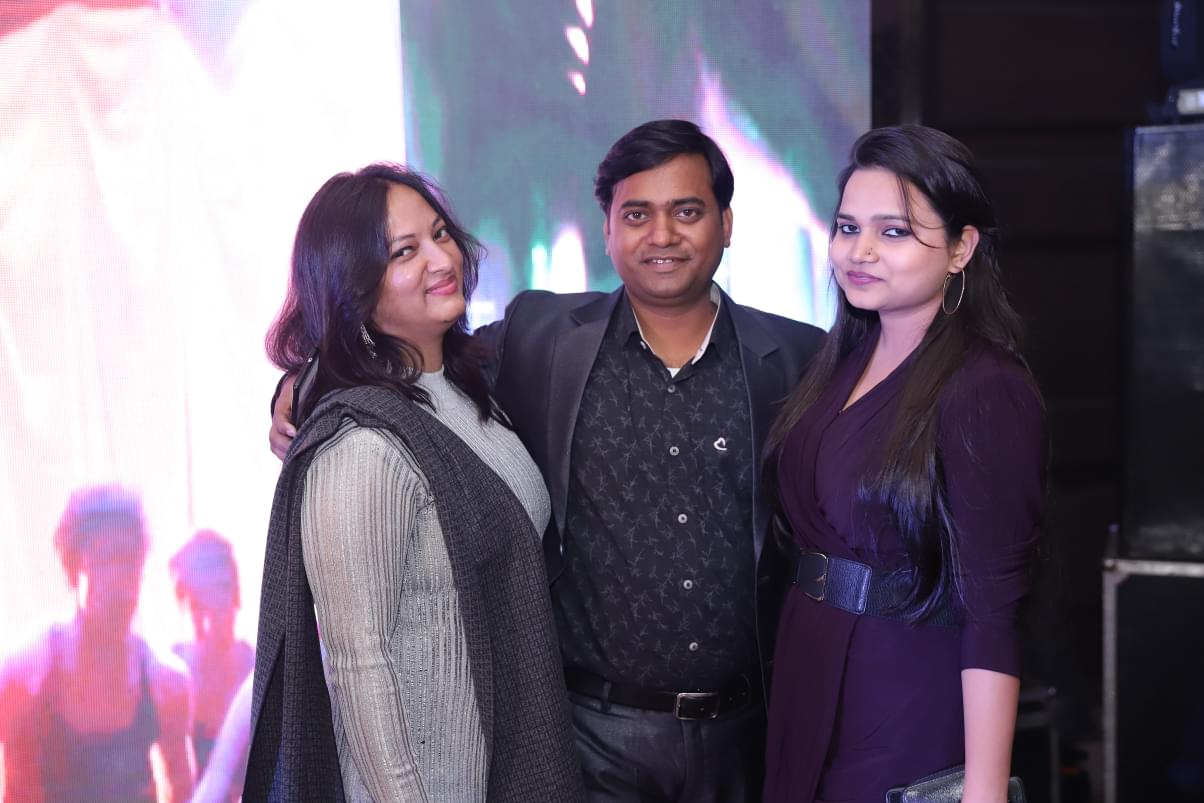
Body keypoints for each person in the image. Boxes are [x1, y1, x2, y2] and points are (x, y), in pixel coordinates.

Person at [272, 120, 824, 801]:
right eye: (636, 215)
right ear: (607, 230)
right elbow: (397, 363)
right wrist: (301, 384)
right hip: (585, 740)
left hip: (747, 734)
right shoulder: (541, 339)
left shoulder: (800, 358)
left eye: (686, 212)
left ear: (726, 223)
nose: (662, 235)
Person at [245, 164, 583, 803]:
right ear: (354, 288)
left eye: (439, 234)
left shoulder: (465, 389)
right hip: (430, 782)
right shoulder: (361, 446)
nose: (440, 259)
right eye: (404, 251)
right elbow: (357, 666)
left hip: (508, 759)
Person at [761, 125, 1047, 803]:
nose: (859, 251)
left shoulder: (986, 386)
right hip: (809, 671)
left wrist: (983, 790)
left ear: (961, 248)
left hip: (906, 692)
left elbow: (994, 610)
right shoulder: (841, 359)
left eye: (893, 232)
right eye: (847, 227)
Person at [0, 484, 194, 803]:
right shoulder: (24, 678)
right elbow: (15, 793)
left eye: (129, 562)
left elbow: (182, 793)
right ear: (73, 568)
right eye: (105, 561)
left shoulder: (166, 684)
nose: (118, 581)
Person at [168, 530, 254, 774]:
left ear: (236, 596)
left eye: (219, 600)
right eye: (199, 605)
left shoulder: (261, 674)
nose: (210, 622)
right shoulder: (165, 682)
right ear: (182, 604)